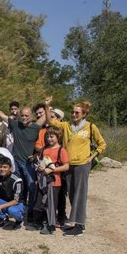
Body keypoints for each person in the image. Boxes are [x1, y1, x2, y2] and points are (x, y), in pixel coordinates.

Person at [46, 98, 106, 236]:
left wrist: (91, 157)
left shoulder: (90, 127)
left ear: (84, 114)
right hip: (69, 165)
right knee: (72, 194)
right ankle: (77, 222)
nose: (74, 115)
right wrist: (47, 105)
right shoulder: (66, 125)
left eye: (77, 113)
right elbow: (51, 122)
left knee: (80, 194)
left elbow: (102, 144)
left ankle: (79, 225)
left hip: (82, 165)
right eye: (72, 112)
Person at [0, 92, 45, 224]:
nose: (24, 117)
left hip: (29, 164)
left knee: (31, 188)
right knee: (18, 188)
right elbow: (1, 115)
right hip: (16, 163)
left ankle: (31, 214)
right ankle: (16, 211)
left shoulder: (36, 127)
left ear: (31, 116)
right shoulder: (15, 125)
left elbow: (45, 118)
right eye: (22, 115)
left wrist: (47, 105)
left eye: (26, 115)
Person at [33, 126, 69, 234]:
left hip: (54, 181)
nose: (49, 139)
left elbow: (66, 166)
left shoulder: (61, 150)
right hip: (42, 180)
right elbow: (42, 162)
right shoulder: (45, 149)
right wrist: (40, 167)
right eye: (48, 136)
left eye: (52, 136)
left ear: (58, 137)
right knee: (42, 202)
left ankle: (51, 225)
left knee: (51, 204)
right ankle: (43, 222)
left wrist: (52, 170)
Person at [0, 158, 25, 230]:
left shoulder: (17, 180)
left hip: (16, 204)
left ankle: (19, 220)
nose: (2, 169)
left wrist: (0, 207)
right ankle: (3, 218)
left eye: (5, 167)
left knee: (12, 211)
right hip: (4, 201)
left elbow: (16, 200)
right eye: (0, 167)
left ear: (10, 168)